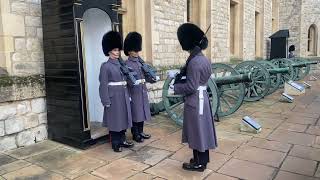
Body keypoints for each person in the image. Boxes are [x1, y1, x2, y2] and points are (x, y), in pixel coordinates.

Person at [168, 23, 218, 172]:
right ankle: (201, 159)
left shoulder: (194, 62)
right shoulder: (203, 59)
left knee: (197, 131)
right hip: (202, 98)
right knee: (201, 130)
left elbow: (190, 86)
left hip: (195, 100)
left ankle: (199, 164)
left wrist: (174, 88)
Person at [99, 31, 134, 152]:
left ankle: (122, 140)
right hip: (113, 97)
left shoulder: (121, 64)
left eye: (118, 50)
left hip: (123, 94)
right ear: (108, 51)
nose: (117, 52)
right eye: (114, 50)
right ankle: (115, 143)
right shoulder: (105, 66)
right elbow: (103, 85)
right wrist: (105, 100)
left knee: (124, 118)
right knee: (115, 121)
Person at [124, 32, 155, 143]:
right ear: (129, 51)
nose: (136, 52)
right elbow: (126, 79)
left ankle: (141, 131)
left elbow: (147, 76)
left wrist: (151, 77)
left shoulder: (141, 63)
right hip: (133, 91)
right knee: (135, 113)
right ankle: (135, 134)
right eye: (134, 50)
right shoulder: (126, 64)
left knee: (142, 112)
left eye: (137, 50)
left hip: (142, 90)